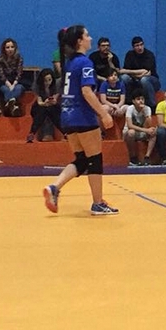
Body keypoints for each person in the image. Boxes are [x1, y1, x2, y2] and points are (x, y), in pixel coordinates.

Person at [42, 25, 118, 215]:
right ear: (79, 41)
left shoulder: (69, 63)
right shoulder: (84, 62)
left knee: (82, 160)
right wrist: (103, 113)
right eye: (87, 35)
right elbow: (86, 91)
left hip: (67, 117)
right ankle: (98, 203)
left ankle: (54, 187)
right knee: (95, 159)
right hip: (83, 117)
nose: (90, 38)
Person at [120, 36, 160, 112]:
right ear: (133, 47)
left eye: (141, 45)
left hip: (152, 81)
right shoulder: (129, 54)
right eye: (137, 46)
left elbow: (146, 71)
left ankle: (152, 105)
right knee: (124, 78)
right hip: (135, 79)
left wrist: (129, 71)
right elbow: (125, 72)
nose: (140, 47)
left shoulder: (149, 55)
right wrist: (139, 74)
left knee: (144, 80)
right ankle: (128, 101)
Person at [27, 68, 63, 143]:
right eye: (45, 80)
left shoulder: (56, 86)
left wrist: (52, 101)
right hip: (40, 107)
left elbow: (55, 100)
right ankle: (32, 133)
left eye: (49, 80)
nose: (48, 82)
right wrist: (45, 103)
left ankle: (32, 133)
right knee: (42, 111)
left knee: (51, 110)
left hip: (53, 106)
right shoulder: (37, 86)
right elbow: (39, 102)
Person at [124, 91, 156, 166]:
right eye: (138, 99)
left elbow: (148, 125)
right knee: (131, 132)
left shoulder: (147, 108)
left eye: (142, 99)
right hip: (129, 132)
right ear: (133, 101)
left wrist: (146, 115)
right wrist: (146, 130)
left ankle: (147, 157)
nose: (141, 101)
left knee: (154, 132)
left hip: (142, 131)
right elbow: (130, 125)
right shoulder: (130, 108)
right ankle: (133, 157)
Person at [0, 38, 25, 117]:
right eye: (7, 47)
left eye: (12, 47)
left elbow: (19, 72)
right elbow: (1, 74)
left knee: (19, 88)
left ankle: (9, 104)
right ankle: (13, 107)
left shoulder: (19, 57)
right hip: (4, 82)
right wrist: (9, 85)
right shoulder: (0, 59)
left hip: (16, 82)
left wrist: (14, 84)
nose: (10, 49)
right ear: (4, 49)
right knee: (5, 89)